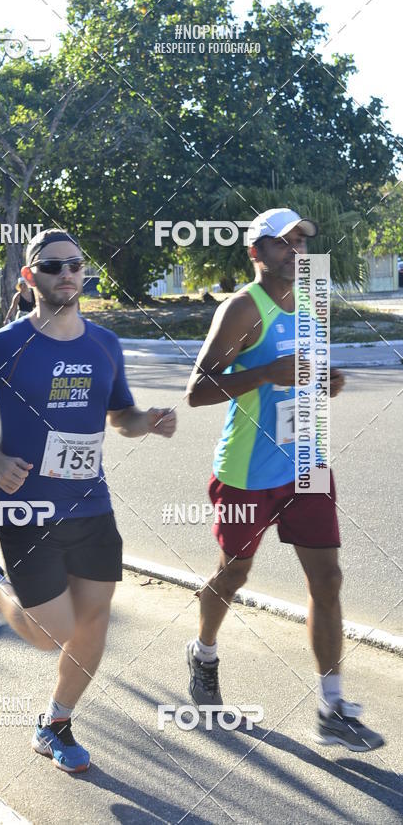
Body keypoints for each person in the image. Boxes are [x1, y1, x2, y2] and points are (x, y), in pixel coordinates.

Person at [0, 227, 177, 773]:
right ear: (30, 277)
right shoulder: (4, 345)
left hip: (92, 505)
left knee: (94, 621)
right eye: (52, 266)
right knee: (53, 634)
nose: (66, 274)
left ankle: (55, 724)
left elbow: (120, 418)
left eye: (74, 264)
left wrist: (149, 422)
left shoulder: (104, 344)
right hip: (26, 506)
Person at [184, 207, 384, 751]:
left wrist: (327, 380)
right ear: (256, 252)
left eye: (300, 241)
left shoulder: (314, 303)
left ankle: (332, 705)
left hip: (308, 463)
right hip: (248, 471)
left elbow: (305, 371)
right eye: (283, 242)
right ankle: (203, 652)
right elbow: (198, 390)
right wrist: (265, 375)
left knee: (328, 579)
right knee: (234, 575)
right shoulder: (242, 309)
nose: (296, 250)